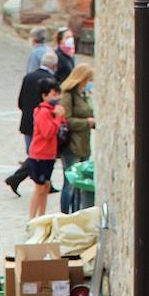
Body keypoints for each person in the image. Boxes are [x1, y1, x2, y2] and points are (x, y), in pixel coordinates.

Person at [4, 49, 58, 197]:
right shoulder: (50, 82)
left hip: (27, 122)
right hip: (42, 123)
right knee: (37, 156)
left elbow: (21, 101)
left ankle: (43, 181)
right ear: (54, 66)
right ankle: (20, 179)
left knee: (34, 154)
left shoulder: (28, 77)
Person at [59, 64, 95, 213]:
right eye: (87, 80)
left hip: (83, 144)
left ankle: (77, 212)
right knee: (70, 183)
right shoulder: (68, 96)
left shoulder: (83, 95)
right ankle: (66, 214)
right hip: (71, 146)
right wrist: (86, 122)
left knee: (80, 184)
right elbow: (66, 120)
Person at [27, 79, 65, 221]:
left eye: (57, 94)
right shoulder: (43, 112)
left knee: (46, 186)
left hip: (49, 155)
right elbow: (48, 132)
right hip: (40, 155)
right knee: (39, 187)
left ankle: (41, 216)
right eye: (53, 94)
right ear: (44, 96)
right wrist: (58, 117)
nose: (56, 98)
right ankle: (32, 218)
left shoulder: (51, 111)